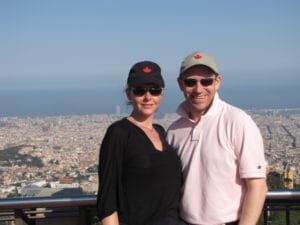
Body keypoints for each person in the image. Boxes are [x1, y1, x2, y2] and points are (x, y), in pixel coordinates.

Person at [166, 51, 268, 225]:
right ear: (180, 84)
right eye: (191, 82)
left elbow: (257, 186)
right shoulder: (175, 130)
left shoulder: (237, 121)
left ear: (217, 81)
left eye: (206, 81)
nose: (198, 89)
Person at [97, 61, 186, 225]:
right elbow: (107, 200)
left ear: (161, 94)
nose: (148, 97)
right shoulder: (119, 133)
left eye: (154, 90)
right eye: (139, 91)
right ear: (128, 94)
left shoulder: (161, 131)